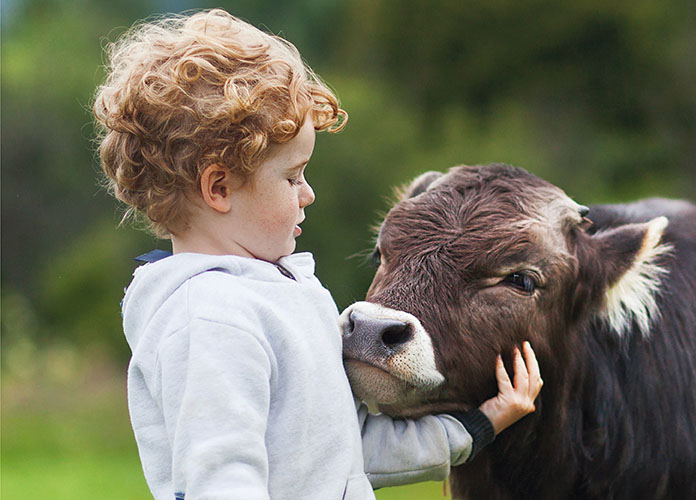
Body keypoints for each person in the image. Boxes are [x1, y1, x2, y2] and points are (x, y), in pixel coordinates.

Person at [93, 9, 542, 499]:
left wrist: (478, 426)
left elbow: (351, 449)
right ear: (219, 187)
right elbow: (221, 478)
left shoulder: (283, 295)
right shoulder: (209, 320)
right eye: (292, 176)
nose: (307, 194)